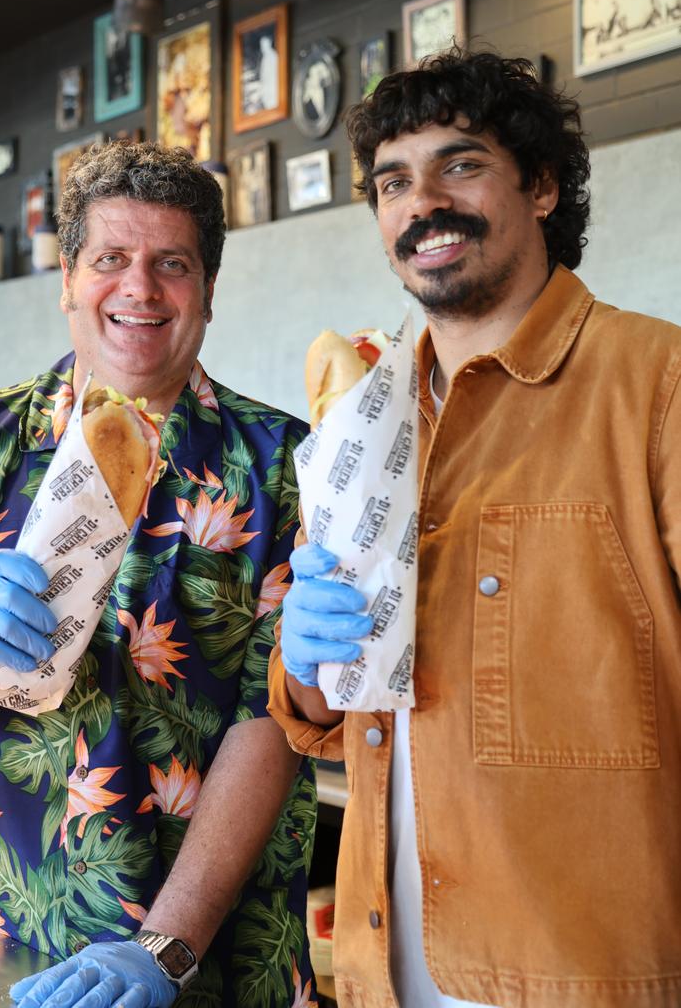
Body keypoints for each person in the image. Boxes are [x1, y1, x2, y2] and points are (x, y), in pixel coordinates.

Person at [268, 49, 681, 1008]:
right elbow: (332, 716)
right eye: (393, 182)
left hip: (589, 976)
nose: (423, 203)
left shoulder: (655, 384)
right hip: (382, 971)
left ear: (540, 187)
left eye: (460, 165)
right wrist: (303, 663)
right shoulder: (364, 419)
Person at [0, 140, 317, 1008]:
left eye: (172, 264)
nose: (141, 289)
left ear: (210, 290)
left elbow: (276, 722)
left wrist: (166, 946)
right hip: (2, 963)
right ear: (68, 280)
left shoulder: (284, 469)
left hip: (220, 972)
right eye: (111, 259)